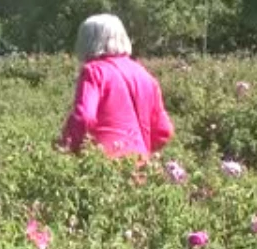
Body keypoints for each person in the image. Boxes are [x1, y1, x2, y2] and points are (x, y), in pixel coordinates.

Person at [57, 14, 173, 160]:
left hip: (103, 165)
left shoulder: (93, 71)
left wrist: (66, 146)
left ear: (87, 41)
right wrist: (138, 151)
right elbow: (164, 130)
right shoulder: (145, 76)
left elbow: (84, 117)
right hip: (141, 167)